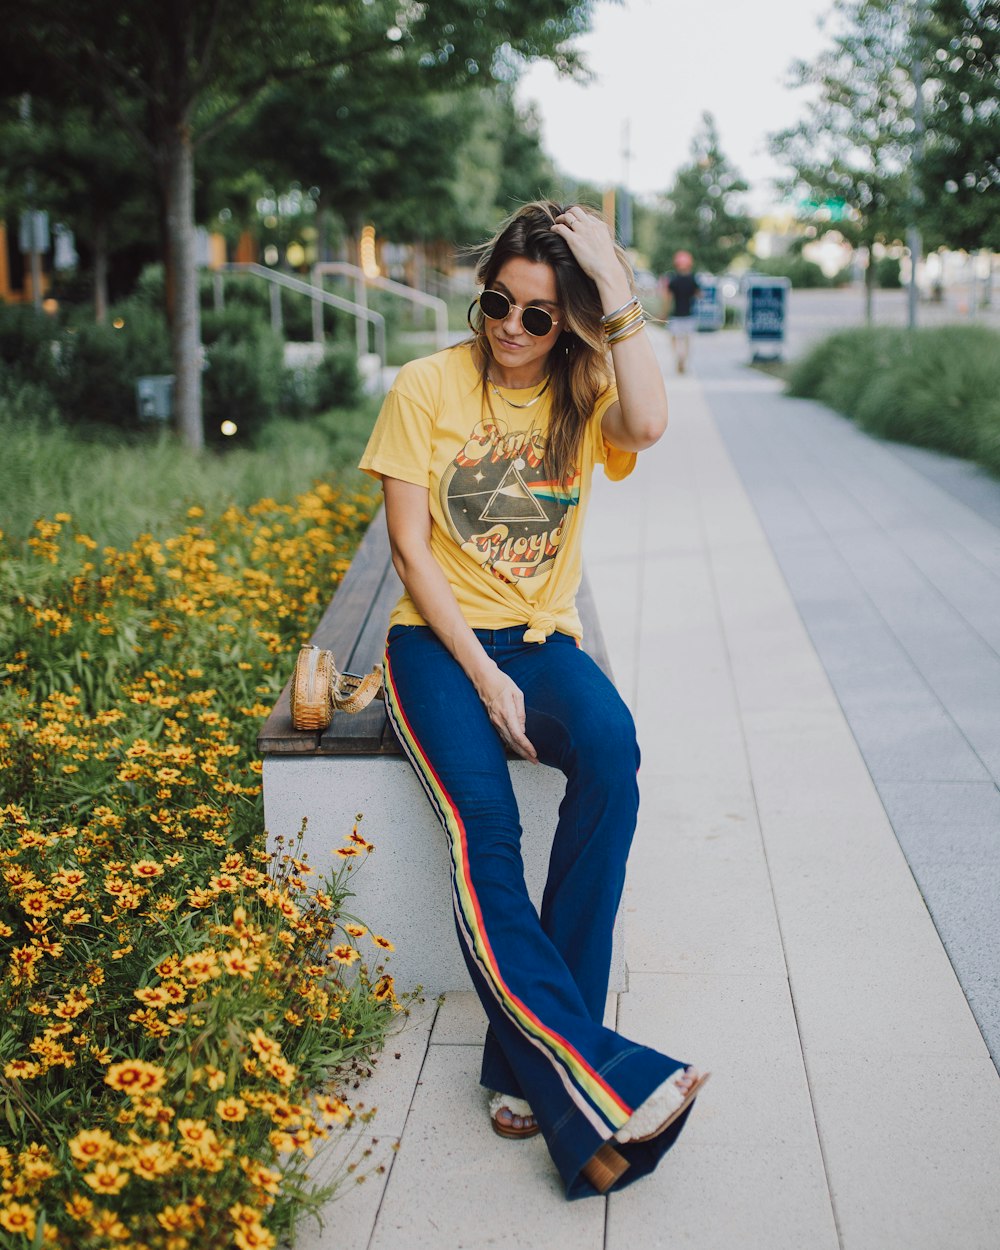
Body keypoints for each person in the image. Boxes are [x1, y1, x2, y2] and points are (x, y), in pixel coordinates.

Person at [359, 201, 708, 1200]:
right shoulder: (428, 384)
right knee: (488, 834)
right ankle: (594, 1066)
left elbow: (649, 421)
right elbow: (410, 552)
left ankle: (526, 1061)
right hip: (437, 646)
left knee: (612, 755)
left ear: (572, 323)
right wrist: (481, 669)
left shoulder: (583, 387)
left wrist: (613, 276)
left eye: (540, 315)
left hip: (545, 641)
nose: (511, 329)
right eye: (497, 305)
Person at [664, 250, 701, 374]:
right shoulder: (693, 279)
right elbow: (699, 295)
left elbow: (668, 299)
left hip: (676, 315)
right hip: (689, 315)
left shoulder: (673, 280)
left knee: (674, 338)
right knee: (687, 339)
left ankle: (678, 355)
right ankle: (684, 357)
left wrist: (664, 313)